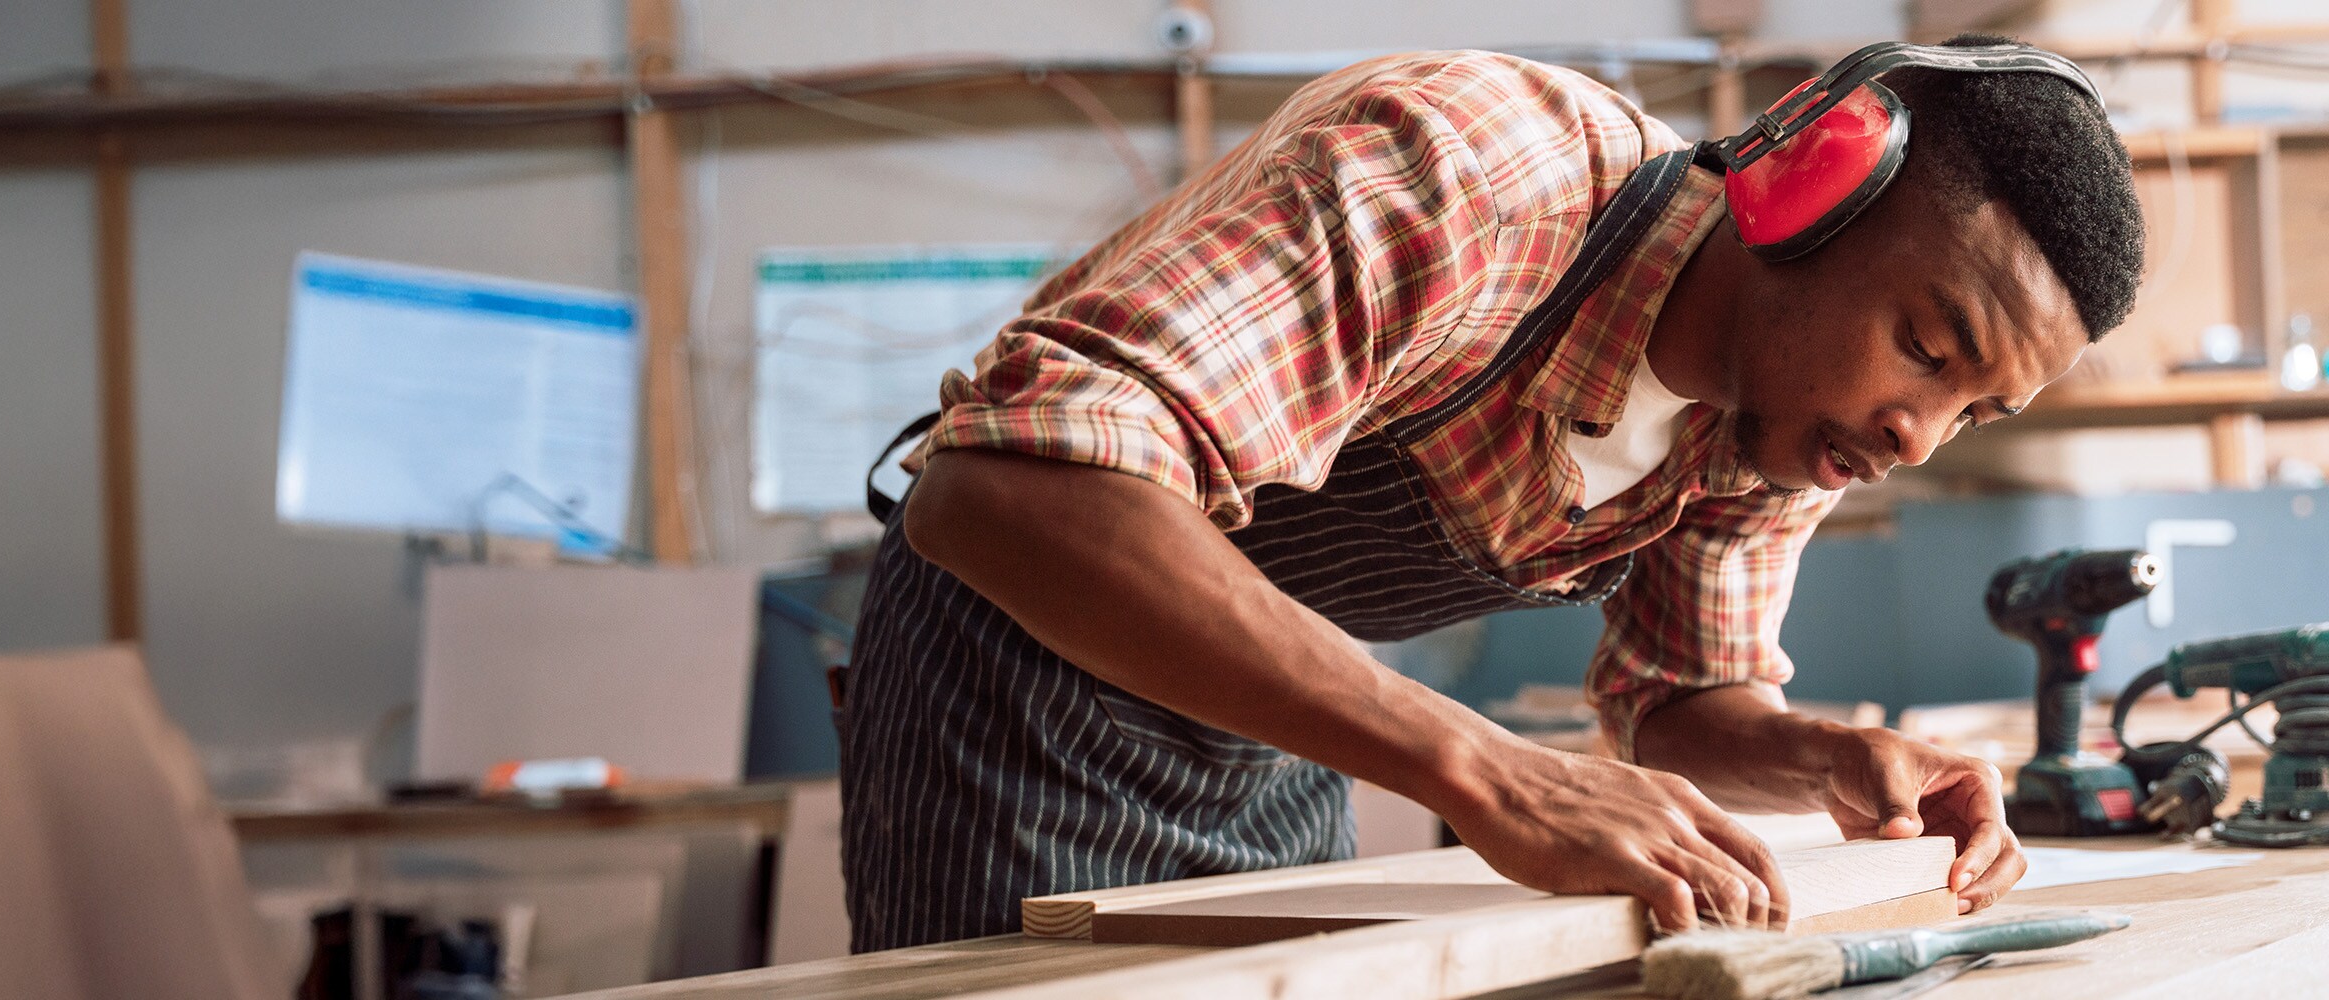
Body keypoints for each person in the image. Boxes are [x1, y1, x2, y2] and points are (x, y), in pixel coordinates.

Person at [836, 34, 2145, 952]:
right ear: (1809, 184)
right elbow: (1003, 486)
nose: (1919, 439)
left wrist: (1831, 760)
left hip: (1279, 717)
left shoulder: (1787, 420)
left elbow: (1679, 702)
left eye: (1978, 411)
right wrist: (1484, 769)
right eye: (1928, 349)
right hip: (1016, 679)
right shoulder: (1467, 174)